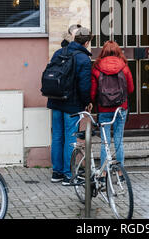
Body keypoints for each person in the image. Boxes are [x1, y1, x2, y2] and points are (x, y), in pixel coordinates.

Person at [47, 27, 93, 186]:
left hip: (55, 100)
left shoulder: (59, 53)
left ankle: (56, 172)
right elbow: (84, 86)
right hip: (72, 105)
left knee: (57, 136)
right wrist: (87, 102)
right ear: (87, 42)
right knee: (70, 139)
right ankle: (68, 175)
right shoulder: (84, 59)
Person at [90, 41, 134, 180]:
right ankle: (120, 172)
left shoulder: (97, 67)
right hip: (120, 108)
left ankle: (103, 172)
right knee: (119, 139)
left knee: (105, 141)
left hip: (103, 108)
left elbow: (92, 91)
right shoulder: (124, 67)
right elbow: (131, 89)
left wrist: (92, 102)